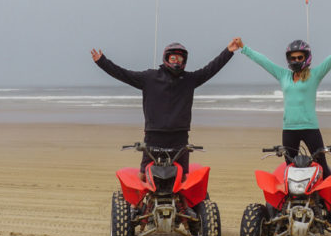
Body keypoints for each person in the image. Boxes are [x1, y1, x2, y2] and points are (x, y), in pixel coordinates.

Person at [91, 38, 242, 175]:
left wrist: (228, 52)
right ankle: (139, 206)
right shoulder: (149, 78)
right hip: (153, 136)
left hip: (180, 137)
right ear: (166, 58)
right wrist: (102, 62)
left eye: (180, 58)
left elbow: (210, 69)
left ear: (184, 60)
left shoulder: (189, 80)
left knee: (183, 178)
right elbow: (123, 74)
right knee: (144, 176)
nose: (176, 62)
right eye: (173, 58)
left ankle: (185, 206)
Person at [237, 29, 331, 177]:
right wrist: (244, 48)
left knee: (323, 167)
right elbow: (264, 62)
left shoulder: (315, 75)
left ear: (306, 57)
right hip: (289, 129)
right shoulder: (283, 75)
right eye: (293, 58)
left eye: (299, 57)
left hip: (310, 128)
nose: (296, 60)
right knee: (290, 169)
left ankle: (327, 199)